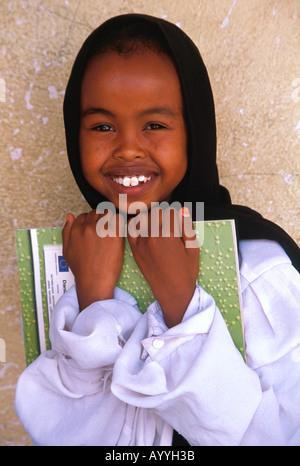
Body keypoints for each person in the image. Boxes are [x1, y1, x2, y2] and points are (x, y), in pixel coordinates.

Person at [15, 14, 300, 446]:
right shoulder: (73, 261)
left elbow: (279, 435)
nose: (128, 147)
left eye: (155, 125)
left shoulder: (258, 266)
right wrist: (93, 304)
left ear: (195, 132)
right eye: (102, 126)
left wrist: (182, 306)